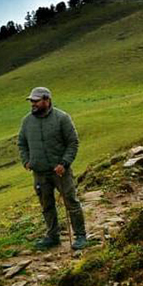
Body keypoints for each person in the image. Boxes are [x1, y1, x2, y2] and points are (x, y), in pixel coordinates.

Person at [18, 86, 88, 250]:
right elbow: (21, 143)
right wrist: (26, 161)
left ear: (47, 100)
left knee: (71, 202)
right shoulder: (27, 121)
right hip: (39, 173)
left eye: (36, 101)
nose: (33, 104)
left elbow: (73, 143)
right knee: (46, 206)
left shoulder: (62, 118)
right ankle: (52, 236)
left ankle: (80, 236)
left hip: (60, 172)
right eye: (31, 101)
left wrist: (64, 163)